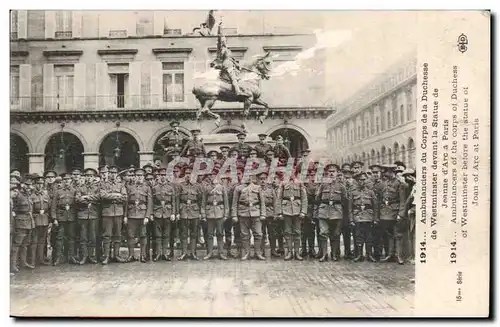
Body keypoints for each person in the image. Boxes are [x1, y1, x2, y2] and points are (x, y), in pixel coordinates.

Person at [314, 164, 348, 262]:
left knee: (336, 234)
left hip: (337, 212)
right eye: (330, 171)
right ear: (327, 173)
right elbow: (317, 198)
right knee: (323, 233)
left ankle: (334, 254)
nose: (332, 173)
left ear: (337, 173)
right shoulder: (322, 185)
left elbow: (345, 200)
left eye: (334, 171)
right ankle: (324, 254)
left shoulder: (341, 186)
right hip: (324, 211)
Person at [232, 172, 266, 260]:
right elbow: (234, 203)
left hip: (256, 213)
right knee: (244, 234)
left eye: (250, 176)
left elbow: (262, 202)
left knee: (258, 233)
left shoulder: (257, 188)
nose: (248, 178)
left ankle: (257, 253)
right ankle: (246, 253)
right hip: (243, 213)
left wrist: (262, 214)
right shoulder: (238, 188)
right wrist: (234, 215)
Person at [377, 164, 406, 264]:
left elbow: (402, 200)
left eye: (387, 172)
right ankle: (390, 255)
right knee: (389, 234)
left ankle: (399, 256)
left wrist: (401, 214)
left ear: (392, 172)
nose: (385, 173)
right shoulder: (384, 183)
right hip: (386, 212)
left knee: (397, 234)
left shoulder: (399, 183)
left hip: (395, 211)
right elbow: (381, 197)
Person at [276, 172, 307, 261]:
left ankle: (297, 252)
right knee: (287, 232)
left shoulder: (300, 183)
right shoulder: (283, 183)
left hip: (297, 210)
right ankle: (289, 252)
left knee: (297, 232)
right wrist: (279, 212)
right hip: (286, 210)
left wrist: (303, 212)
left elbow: (304, 198)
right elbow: (279, 198)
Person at [99, 165, 127, 264]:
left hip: (118, 212)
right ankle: (106, 256)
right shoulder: (103, 184)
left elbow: (124, 197)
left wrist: (111, 195)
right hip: (107, 212)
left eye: (114, 173)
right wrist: (116, 195)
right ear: (108, 174)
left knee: (117, 235)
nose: (112, 175)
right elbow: (103, 196)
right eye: (110, 173)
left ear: (116, 174)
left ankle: (116, 255)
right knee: (107, 235)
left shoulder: (121, 185)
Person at [349, 172, 378, 262]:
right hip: (357, 216)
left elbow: (375, 206)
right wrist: (351, 219)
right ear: (357, 181)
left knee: (369, 237)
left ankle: (369, 254)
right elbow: (350, 207)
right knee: (358, 236)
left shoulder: (370, 192)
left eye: (364, 180)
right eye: (360, 180)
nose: (363, 182)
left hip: (368, 217)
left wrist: (376, 218)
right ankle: (359, 255)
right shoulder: (353, 192)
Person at [177, 167, 205, 261]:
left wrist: (201, 212)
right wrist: (177, 212)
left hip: (194, 211)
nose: (188, 175)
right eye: (187, 173)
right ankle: (184, 252)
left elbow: (201, 200)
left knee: (194, 233)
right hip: (183, 210)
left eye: (190, 173)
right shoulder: (180, 186)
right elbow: (177, 200)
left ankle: (193, 252)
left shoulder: (198, 186)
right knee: (183, 233)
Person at [151, 167, 178, 261]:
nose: (163, 177)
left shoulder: (170, 188)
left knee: (166, 235)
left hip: (168, 212)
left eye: (164, 175)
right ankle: (158, 254)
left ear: (167, 176)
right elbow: (151, 202)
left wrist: (173, 213)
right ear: (158, 176)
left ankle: (164, 253)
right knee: (158, 235)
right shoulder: (154, 187)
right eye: (161, 175)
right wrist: (151, 214)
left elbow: (173, 201)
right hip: (157, 212)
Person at [74, 168, 100, 264]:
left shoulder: (97, 187)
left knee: (92, 237)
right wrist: (86, 201)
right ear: (85, 177)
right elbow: (77, 199)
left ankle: (91, 256)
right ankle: (84, 256)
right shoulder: (80, 187)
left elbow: (99, 197)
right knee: (83, 237)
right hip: (83, 214)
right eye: (87, 176)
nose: (89, 178)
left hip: (93, 214)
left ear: (94, 177)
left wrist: (86, 197)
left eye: (91, 176)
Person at [202, 169, 229, 260]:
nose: (213, 177)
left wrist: (226, 214)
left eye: (215, 175)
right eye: (211, 175)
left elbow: (226, 202)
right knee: (209, 234)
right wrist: (203, 215)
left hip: (220, 213)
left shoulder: (222, 187)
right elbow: (203, 202)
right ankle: (209, 252)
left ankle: (221, 253)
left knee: (220, 233)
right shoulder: (206, 188)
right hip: (209, 213)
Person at [51, 173, 77, 265]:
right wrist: (54, 218)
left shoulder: (74, 191)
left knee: (71, 238)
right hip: (61, 217)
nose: (66, 181)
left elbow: (76, 205)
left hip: (71, 216)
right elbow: (53, 206)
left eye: (68, 179)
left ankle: (72, 257)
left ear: (71, 180)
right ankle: (58, 258)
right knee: (59, 238)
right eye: (65, 179)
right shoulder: (58, 192)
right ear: (62, 181)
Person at [11, 175, 35, 272]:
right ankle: (12, 265)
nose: (29, 186)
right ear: (22, 184)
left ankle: (23, 263)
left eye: (30, 185)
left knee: (25, 244)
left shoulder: (28, 195)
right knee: (17, 244)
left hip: (29, 221)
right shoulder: (17, 194)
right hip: (20, 221)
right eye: (27, 184)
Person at [212, 21, 244, 96]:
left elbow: (232, 59)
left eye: (225, 41)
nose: (224, 42)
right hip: (227, 64)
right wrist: (219, 29)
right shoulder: (221, 49)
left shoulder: (228, 50)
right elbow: (219, 39)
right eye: (223, 41)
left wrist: (237, 65)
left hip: (231, 63)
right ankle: (237, 91)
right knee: (233, 77)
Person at [29, 175, 51, 267]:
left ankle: (41, 259)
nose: (40, 185)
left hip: (45, 220)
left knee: (42, 241)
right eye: (38, 183)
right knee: (34, 241)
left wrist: (49, 220)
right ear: (34, 184)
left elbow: (49, 207)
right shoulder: (31, 195)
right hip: (36, 219)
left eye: (42, 183)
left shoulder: (46, 195)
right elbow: (30, 209)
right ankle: (32, 261)